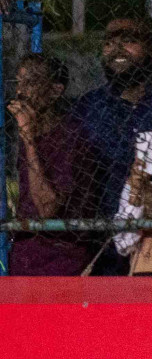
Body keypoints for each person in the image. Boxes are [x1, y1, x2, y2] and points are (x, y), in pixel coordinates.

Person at [70, 17, 152, 274]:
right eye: (109, 42)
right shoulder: (89, 108)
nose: (117, 49)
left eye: (128, 41)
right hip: (102, 242)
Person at [9, 54, 94, 277]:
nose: (21, 91)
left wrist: (27, 139)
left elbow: (47, 208)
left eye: (31, 82)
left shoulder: (70, 136)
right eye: (18, 82)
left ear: (55, 91)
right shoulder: (28, 133)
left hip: (60, 257)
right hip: (26, 253)